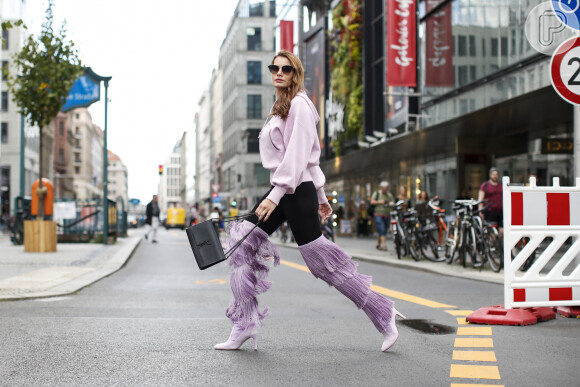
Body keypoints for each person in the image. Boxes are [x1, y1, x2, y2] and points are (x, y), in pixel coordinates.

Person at [214, 50, 405, 352]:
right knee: (242, 244)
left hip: (291, 191)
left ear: (295, 73)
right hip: (291, 189)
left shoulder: (301, 105)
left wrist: (279, 196)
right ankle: (245, 323)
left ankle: (382, 312)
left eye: (286, 69)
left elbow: (299, 157)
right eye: (274, 67)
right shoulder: (281, 107)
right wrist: (322, 196)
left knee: (322, 264)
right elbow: (308, 162)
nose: (279, 72)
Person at [478, 167, 503, 237]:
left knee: (502, 230)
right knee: (492, 232)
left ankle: (499, 246)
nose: (495, 176)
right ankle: (492, 246)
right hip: (490, 212)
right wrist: (481, 210)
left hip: (500, 212)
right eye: (493, 174)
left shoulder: (501, 185)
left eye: (496, 174)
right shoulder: (485, 185)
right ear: (490, 175)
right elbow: (481, 199)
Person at [370, 181, 395, 251]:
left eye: (386, 188)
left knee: (383, 231)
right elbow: (372, 202)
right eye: (384, 188)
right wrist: (380, 202)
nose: (385, 190)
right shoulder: (377, 194)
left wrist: (390, 203)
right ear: (381, 188)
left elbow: (393, 203)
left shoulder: (389, 195)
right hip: (378, 214)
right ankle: (384, 246)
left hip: (386, 214)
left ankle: (378, 243)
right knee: (382, 229)